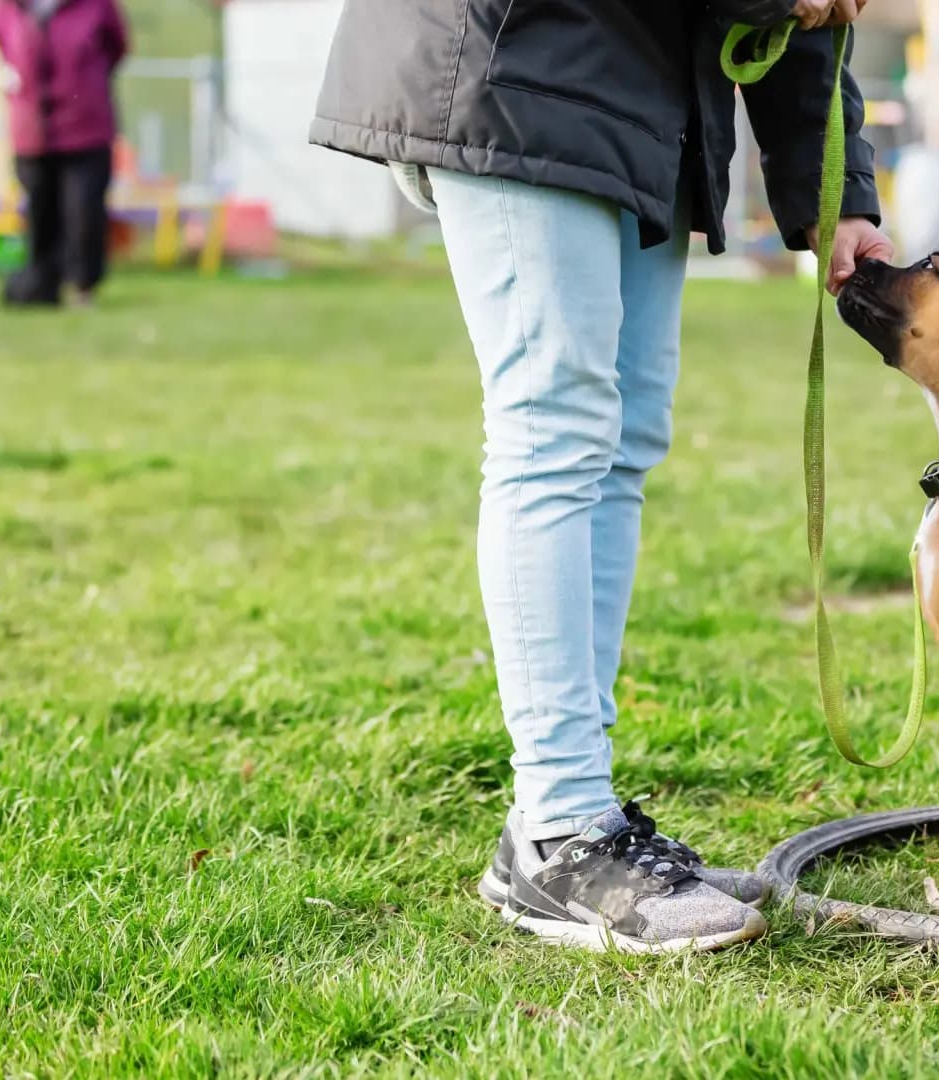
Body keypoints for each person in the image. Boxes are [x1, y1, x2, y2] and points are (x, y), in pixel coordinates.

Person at [309, 0, 891, 954]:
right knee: (553, 427)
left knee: (622, 437)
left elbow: (808, 17)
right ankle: (561, 828)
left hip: (643, 91)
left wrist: (834, 187)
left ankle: (575, 821)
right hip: (517, 57)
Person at [0, 0, 126, 308]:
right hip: (32, 128)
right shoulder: (10, 6)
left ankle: (82, 286)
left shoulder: (96, 5)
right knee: (40, 210)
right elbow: (2, 45)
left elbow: (117, 47)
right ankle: (41, 283)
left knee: (83, 211)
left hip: (85, 125)